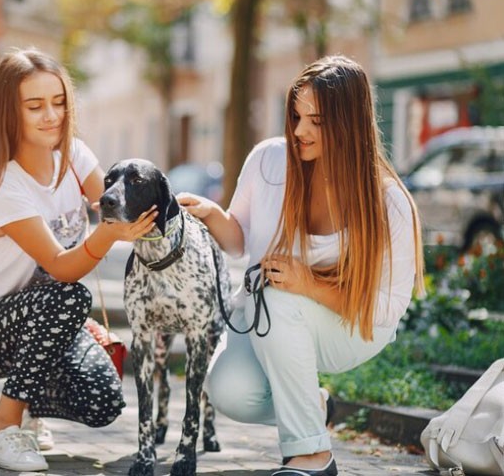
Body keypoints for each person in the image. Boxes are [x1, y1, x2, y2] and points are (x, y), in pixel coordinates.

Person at [178, 55, 425, 476]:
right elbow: (240, 240)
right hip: (273, 313)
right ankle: (309, 406)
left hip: (351, 323)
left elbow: (384, 308)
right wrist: (211, 215)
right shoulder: (268, 160)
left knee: (277, 297)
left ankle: (312, 457)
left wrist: (307, 283)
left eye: (317, 121)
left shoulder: (388, 203)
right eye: (295, 115)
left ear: (349, 124)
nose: (298, 131)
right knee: (230, 393)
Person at [0, 48, 157, 472]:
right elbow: (62, 266)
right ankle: (2, 425)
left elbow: (117, 206)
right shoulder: (3, 185)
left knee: (102, 401)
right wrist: (109, 232)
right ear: (9, 113)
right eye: (35, 106)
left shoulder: (75, 157)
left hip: (47, 318)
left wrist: (172, 215)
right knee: (68, 296)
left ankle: (27, 411)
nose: (51, 116)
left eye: (59, 102)